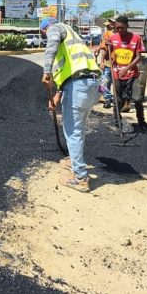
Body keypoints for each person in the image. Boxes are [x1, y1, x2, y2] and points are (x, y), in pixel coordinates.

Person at [41, 17, 100, 193]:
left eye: (43, 33)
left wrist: (46, 71)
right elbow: (70, 69)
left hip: (78, 86)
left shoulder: (54, 29)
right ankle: (74, 160)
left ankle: (80, 177)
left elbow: (51, 46)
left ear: (44, 29)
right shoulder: (73, 36)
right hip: (91, 85)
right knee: (78, 128)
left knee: (72, 132)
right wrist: (59, 94)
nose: (46, 35)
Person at [107, 15, 147, 133]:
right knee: (117, 99)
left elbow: (138, 56)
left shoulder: (136, 38)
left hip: (132, 74)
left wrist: (127, 68)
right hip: (117, 74)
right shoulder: (112, 38)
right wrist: (105, 50)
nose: (119, 30)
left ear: (127, 26)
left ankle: (141, 122)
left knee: (137, 98)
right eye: (117, 28)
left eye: (121, 28)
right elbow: (108, 54)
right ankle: (117, 122)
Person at [95, 18, 116, 108]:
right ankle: (108, 97)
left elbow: (104, 48)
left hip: (113, 61)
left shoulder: (111, 34)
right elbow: (104, 48)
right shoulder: (108, 34)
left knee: (105, 81)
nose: (107, 26)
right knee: (105, 81)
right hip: (110, 62)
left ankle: (109, 97)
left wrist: (102, 61)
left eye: (109, 24)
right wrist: (102, 61)